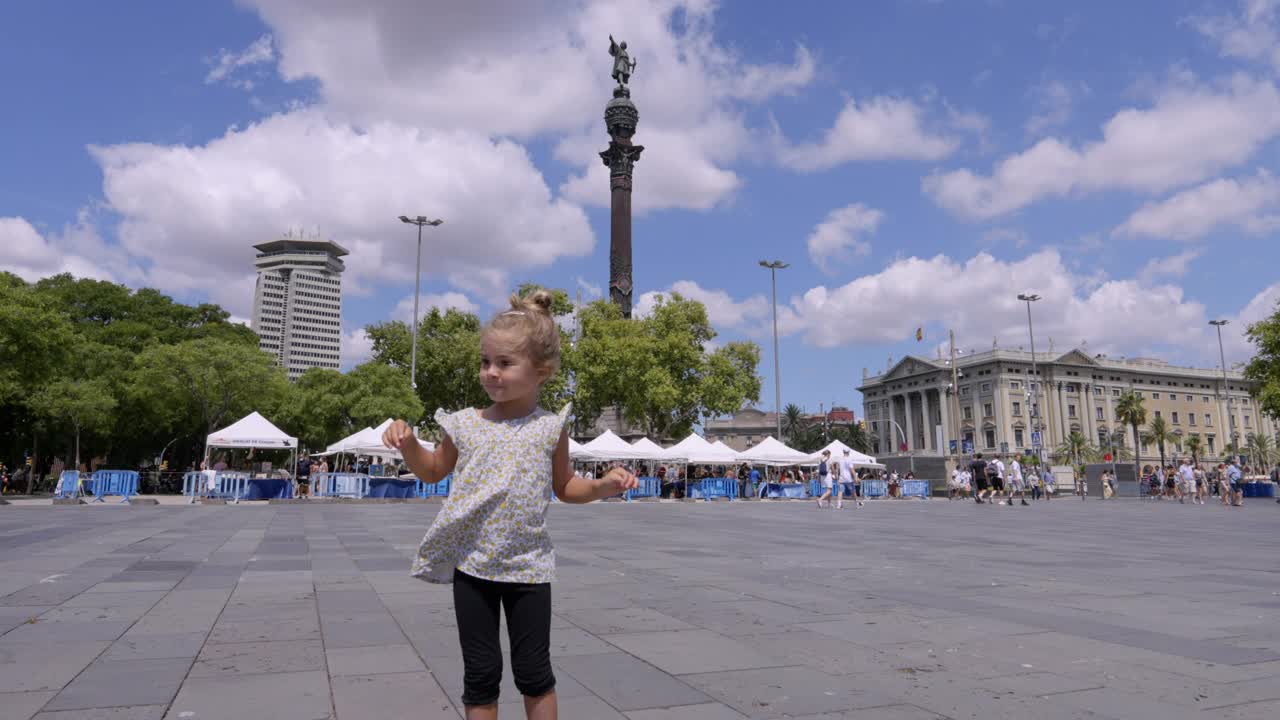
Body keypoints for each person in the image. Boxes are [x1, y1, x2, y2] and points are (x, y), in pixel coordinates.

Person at [383, 291, 637, 720]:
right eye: (485, 362)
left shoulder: (550, 427)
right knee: (481, 675)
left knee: (535, 672)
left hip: (529, 569)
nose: (490, 373)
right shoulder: (464, 423)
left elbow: (565, 486)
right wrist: (408, 444)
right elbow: (430, 471)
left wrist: (601, 487)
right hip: (474, 569)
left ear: (541, 372)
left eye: (503, 363)